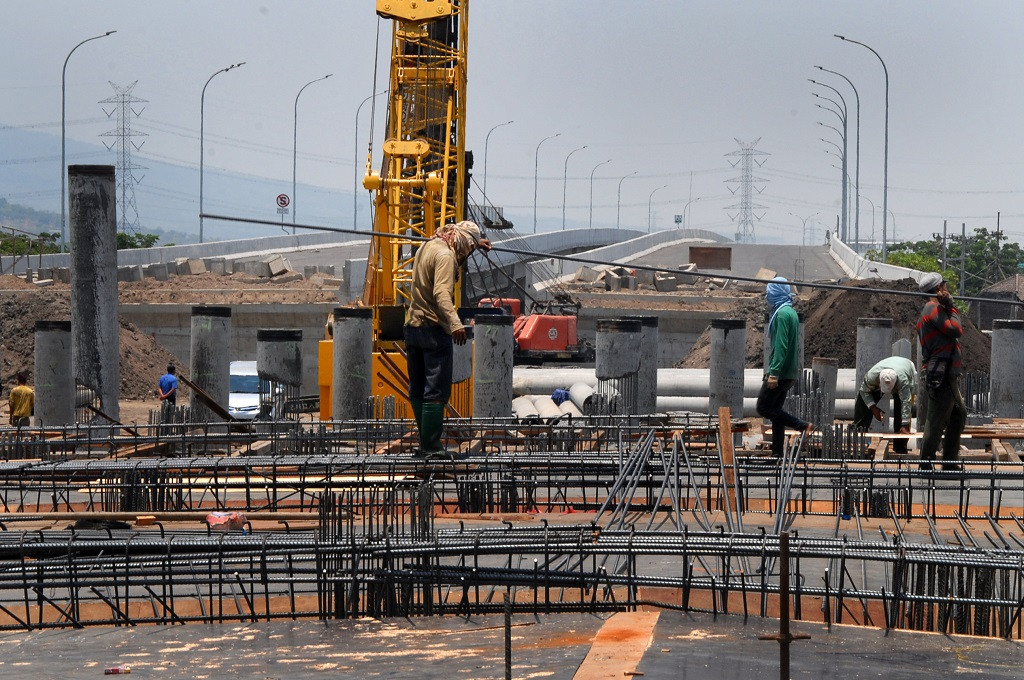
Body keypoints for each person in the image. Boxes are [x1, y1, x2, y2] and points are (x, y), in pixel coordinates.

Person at [405, 220, 491, 459]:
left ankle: (425, 445)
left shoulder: (429, 245)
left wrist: (475, 244)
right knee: (436, 391)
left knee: (419, 389)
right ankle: (432, 447)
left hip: (413, 327)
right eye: (469, 247)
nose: (466, 251)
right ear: (462, 240)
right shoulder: (446, 257)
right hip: (434, 330)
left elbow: (453, 254)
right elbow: (441, 293)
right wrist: (455, 324)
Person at [915, 272, 966, 471]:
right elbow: (955, 329)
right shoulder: (933, 308)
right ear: (938, 289)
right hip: (942, 374)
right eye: (944, 286)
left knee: (958, 415)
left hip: (944, 372)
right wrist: (951, 306)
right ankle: (926, 465)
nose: (946, 289)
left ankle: (949, 461)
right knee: (936, 421)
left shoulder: (933, 308)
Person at [756, 276, 812, 458]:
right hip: (789, 373)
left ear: (775, 293)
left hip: (780, 374)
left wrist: (774, 373)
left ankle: (801, 425)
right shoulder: (790, 312)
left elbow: (781, 346)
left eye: (769, 293)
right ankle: (777, 453)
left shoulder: (781, 315)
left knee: (763, 407)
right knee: (776, 412)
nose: (767, 297)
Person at [854, 356, 916, 454]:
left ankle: (900, 447)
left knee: (902, 413)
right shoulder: (871, 377)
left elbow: (906, 403)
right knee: (862, 405)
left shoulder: (903, 382)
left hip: (906, 368)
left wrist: (904, 424)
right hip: (891, 369)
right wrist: (873, 407)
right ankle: (856, 440)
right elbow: (864, 391)